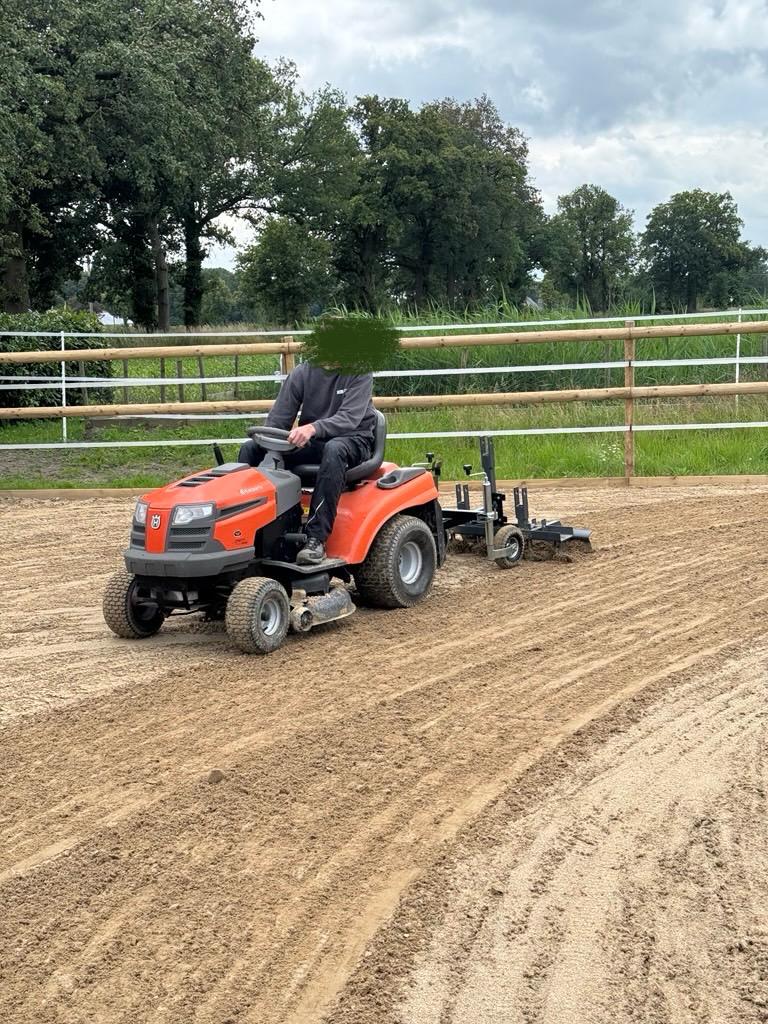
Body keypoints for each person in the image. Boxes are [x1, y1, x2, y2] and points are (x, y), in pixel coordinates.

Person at [238, 360, 376, 565]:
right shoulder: (303, 373)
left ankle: (315, 539)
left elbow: (349, 418)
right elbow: (279, 419)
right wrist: (267, 441)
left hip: (354, 439)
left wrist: (312, 428)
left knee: (334, 449)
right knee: (250, 449)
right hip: (314, 442)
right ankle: (246, 532)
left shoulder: (359, 371)